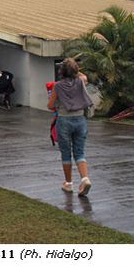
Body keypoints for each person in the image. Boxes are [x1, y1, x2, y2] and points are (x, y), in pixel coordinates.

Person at [47, 58, 93, 196]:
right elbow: (83, 76)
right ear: (76, 70)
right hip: (80, 120)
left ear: (61, 72)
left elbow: (50, 106)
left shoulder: (57, 86)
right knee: (79, 152)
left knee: (66, 153)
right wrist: (75, 70)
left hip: (64, 121)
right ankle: (85, 179)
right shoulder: (81, 81)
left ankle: (68, 184)